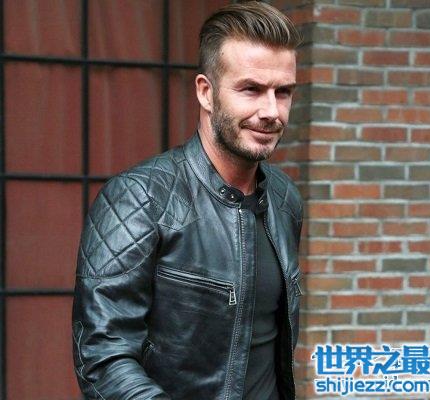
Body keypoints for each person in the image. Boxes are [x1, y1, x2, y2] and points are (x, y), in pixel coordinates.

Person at [72, 2, 303, 399]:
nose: (271, 111)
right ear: (205, 92)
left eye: (282, 92)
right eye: (251, 89)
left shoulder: (284, 199)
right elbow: (102, 358)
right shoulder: (140, 197)